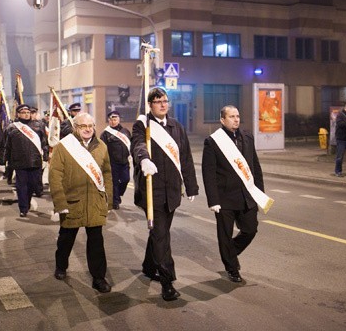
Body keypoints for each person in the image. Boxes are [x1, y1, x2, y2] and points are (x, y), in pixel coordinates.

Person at [131, 87, 199, 301]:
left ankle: (148, 267)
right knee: (162, 236)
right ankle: (167, 282)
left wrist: (191, 186)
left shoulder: (176, 126)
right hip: (153, 191)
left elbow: (185, 157)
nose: (162, 104)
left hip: (171, 192)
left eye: (165, 101)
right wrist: (143, 159)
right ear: (150, 105)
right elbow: (137, 144)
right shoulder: (143, 125)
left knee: (159, 233)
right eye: (158, 101)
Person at [49, 112, 113, 293]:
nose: (88, 129)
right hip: (72, 203)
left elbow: (107, 173)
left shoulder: (101, 146)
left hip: (95, 203)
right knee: (66, 239)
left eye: (91, 126)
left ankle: (99, 278)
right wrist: (60, 203)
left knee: (96, 243)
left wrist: (108, 199)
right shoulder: (64, 147)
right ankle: (61, 266)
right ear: (75, 128)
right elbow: (55, 176)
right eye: (83, 126)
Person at [202, 105, 264, 283]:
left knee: (250, 230)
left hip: (246, 196)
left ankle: (230, 252)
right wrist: (213, 200)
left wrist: (259, 194)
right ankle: (232, 268)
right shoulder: (213, 141)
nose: (236, 119)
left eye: (237, 116)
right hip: (224, 198)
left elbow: (255, 168)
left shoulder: (247, 137)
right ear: (222, 120)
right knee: (224, 234)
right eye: (231, 117)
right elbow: (209, 173)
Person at [4, 104, 48, 216]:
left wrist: (45, 158)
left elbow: (44, 143)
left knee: (33, 185)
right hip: (19, 162)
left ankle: (26, 202)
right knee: (21, 186)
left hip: (35, 161)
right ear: (18, 114)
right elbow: (7, 146)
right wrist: (4, 161)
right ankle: (23, 208)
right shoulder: (12, 127)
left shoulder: (39, 126)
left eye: (28, 112)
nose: (26, 114)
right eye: (23, 113)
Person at [100, 110, 131, 210]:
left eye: (115, 119)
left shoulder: (125, 131)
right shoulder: (105, 134)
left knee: (126, 179)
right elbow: (102, 148)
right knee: (114, 183)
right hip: (112, 162)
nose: (113, 121)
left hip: (124, 161)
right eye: (111, 119)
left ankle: (119, 194)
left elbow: (132, 144)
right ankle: (115, 201)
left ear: (119, 119)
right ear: (109, 120)